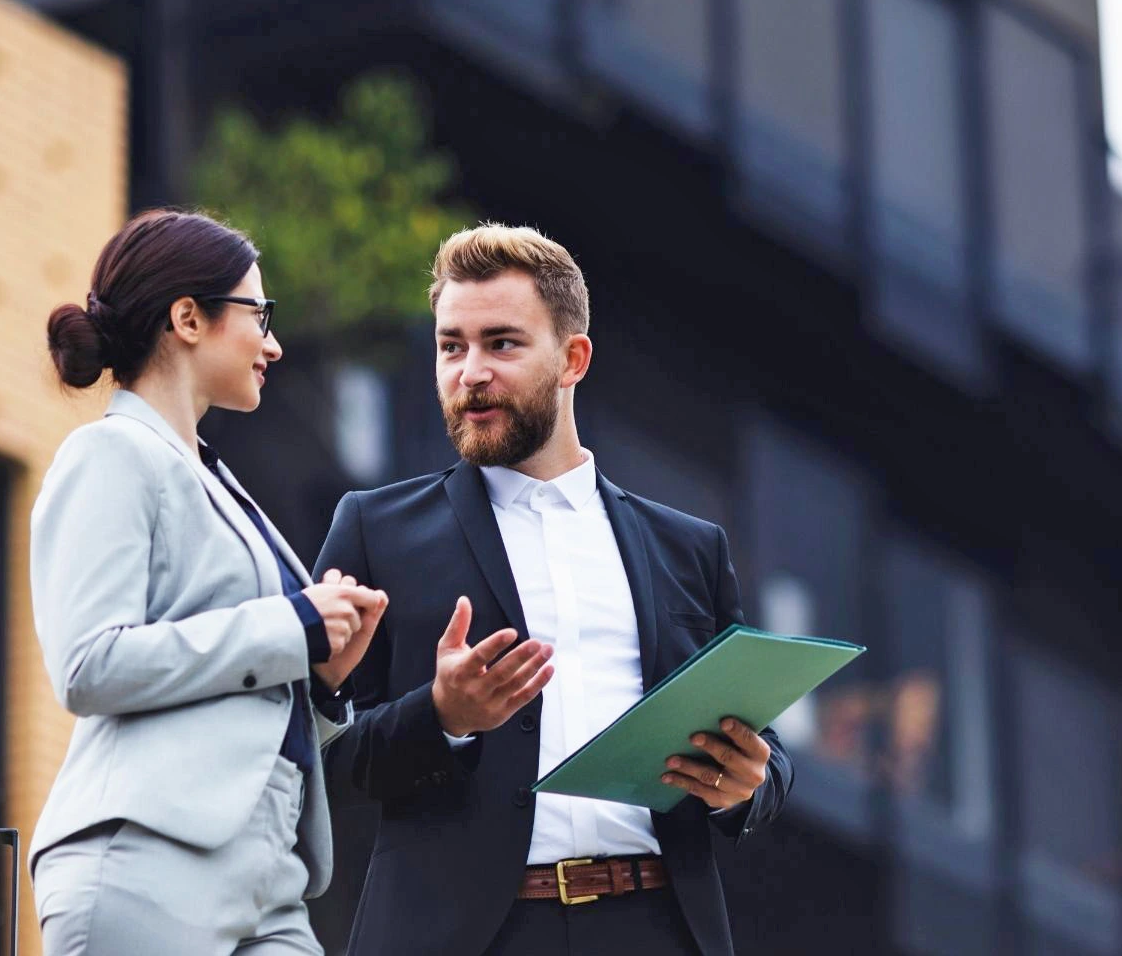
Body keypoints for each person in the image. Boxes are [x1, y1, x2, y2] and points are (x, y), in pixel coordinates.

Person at [316, 224, 791, 956]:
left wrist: (749, 783)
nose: (470, 371)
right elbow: (311, 758)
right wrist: (440, 716)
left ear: (573, 359)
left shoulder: (688, 549)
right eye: (451, 346)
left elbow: (763, 746)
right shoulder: (375, 530)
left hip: (655, 925)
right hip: (464, 937)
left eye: (501, 344)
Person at [29, 210, 389, 955]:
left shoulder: (216, 481)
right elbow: (87, 663)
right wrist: (291, 628)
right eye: (260, 314)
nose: (275, 343)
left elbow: (244, 703)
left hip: (272, 882)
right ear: (188, 318)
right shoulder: (110, 455)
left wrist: (320, 680)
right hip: (147, 864)